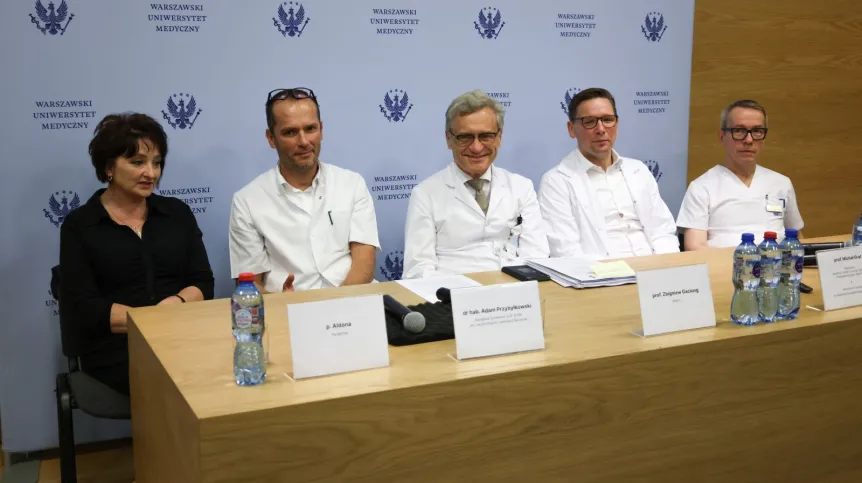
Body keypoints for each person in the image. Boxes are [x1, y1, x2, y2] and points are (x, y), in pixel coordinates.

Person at [59, 113, 214, 396]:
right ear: (108, 167)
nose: (151, 173)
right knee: (176, 379)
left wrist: (177, 302)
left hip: (181, 337)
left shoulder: (176, 213)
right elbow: (84, 308)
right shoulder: (80, 225)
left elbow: (203, 282)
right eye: (137, 162)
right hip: (117, 349)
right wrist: (149, 322)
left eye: (156, 163)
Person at [229, 88, 380, 292]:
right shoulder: (247, 200)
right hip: (286, 312)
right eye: (290, 132)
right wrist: (280, 304)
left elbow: (365, 264)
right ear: (271, 138)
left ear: (322, 130)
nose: (303, 141)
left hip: (352, 303)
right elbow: (250, 283)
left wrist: (339, 307)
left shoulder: (352, 183)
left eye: (310, 129)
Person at [403, 90, 549, 278]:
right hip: (453, 297)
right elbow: (418, 269)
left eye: (486, 136)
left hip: (517, 292)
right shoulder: (425, 194)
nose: (476, 147)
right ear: (449, 139)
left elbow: (537, 255)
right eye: (465, 137)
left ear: (499, 137)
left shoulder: (521, 187)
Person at [538, 87, 679, 259]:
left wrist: (666, 267)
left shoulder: (638, 170)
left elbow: (663, 230)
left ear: (617, 124)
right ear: (571, 129)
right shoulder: (556, 181)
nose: (601, 129)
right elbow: (565, 251)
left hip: (653, 271)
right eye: (589, 121)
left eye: (607, 119)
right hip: (601, 278)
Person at [677, 100, 804, 249]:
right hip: (724, 269)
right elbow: (694, 248)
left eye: (757, 131)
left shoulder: (781, 183)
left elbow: (797, 238)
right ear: (722, 136)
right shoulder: (701, 188)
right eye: (739, 131)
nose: (749, 140)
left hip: (777, 267)